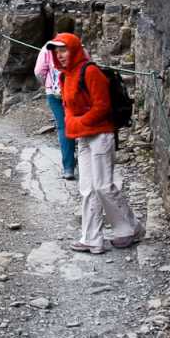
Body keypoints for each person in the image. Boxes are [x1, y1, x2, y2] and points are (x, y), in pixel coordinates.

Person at [50, 32, 143, 254]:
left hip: (101, 135)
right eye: (57, 51)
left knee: (102, 186)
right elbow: (67, 107)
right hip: (83, 137)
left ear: (73, 49)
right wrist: (75, 124)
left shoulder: (89, 72)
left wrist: (78, 122)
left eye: (63, 50)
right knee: (88, 189)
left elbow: (102, 106)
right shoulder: (65, 76)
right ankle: (91, 238)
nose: (60, 55)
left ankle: (131, 228)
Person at [34, 40, 77, 180]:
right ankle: (88, 162)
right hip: (75, 92)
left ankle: (69, 168)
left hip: (54, 93)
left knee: (63, 128)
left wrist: (48, 85)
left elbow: (39, 71)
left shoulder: (47, 47)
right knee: (79, 124)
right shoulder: (78, 47)